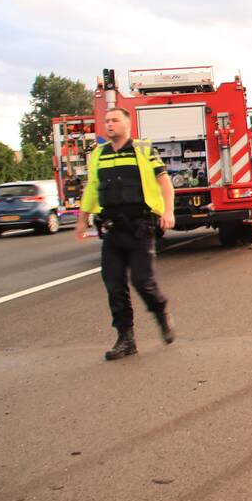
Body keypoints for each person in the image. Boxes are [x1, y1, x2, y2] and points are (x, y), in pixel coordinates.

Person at [75, 107, 176, 361]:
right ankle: (125, 339)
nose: (109, 124)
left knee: (143, 282)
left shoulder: (143, 150)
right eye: (106, 121)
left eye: (114, 120)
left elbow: (165, 182)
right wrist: (82, 220)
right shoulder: (98, 154)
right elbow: (92, 189)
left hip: (140, 229)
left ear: (127, 125)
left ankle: (161, 312)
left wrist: (168, 212)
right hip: (112, 231)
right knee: (113, 285)